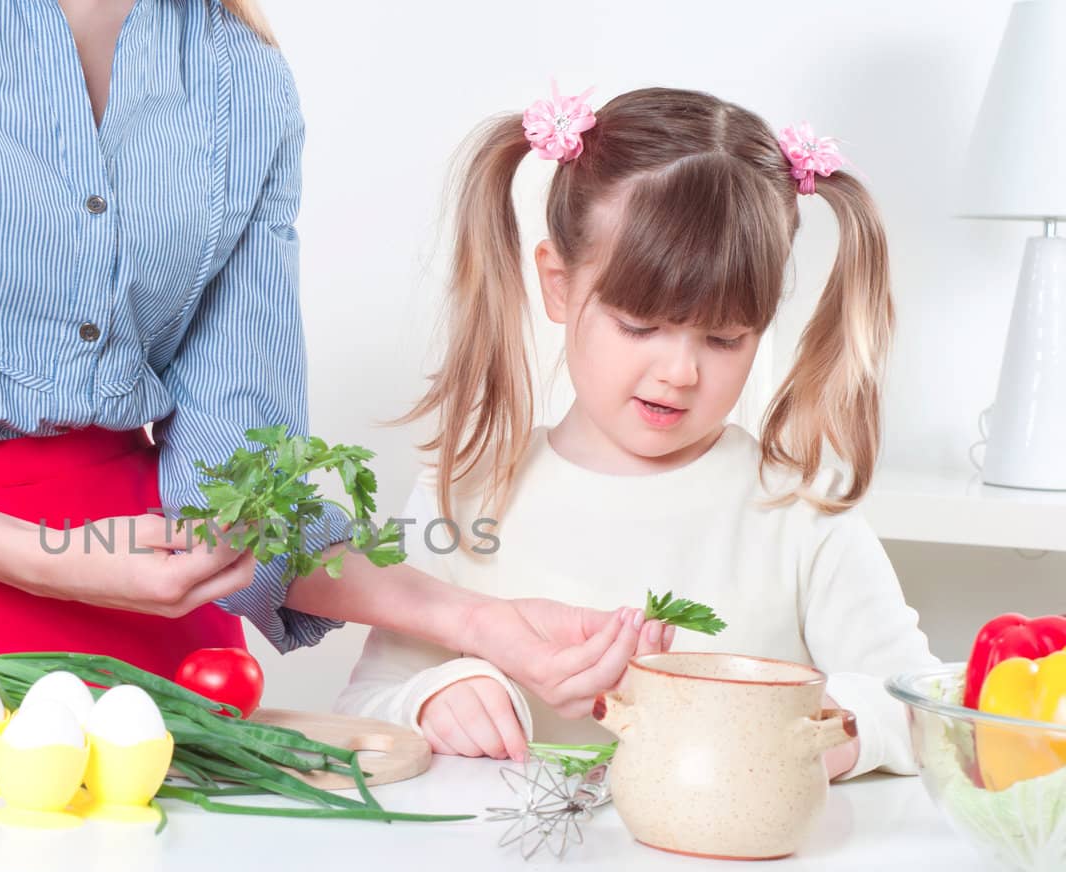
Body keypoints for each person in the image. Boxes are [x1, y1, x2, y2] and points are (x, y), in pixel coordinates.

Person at [0, 3, 664, 714]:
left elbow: (237, 495)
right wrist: (38, 557)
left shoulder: (240, 80)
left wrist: (476, 620)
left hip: (148, 664)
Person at [334, 85, 937, 778]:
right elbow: (367, 701)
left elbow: (917, 704)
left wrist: (816, 727)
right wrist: (432, 696)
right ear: (558, 284)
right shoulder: (468, 493)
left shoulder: (800, 508)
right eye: (640, 326)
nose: (679, 371)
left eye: (723, 338)